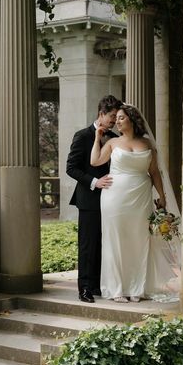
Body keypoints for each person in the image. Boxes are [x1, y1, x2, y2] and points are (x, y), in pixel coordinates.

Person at [90, 103, 180, 302]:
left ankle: (136, 288)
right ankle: (117, 289)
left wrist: (162, 197)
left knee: (139, 241)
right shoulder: (112, 143)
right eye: (117, 118)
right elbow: (95, 162)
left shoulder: (147, 144)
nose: (117, 121)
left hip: (140, 198)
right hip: (114, 198)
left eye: (121, 117)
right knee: (115, 242)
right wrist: (97, 139)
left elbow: (155, 172)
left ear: (132, 120)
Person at [66, 95, 122, 303]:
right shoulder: (82, 136)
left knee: (104, 243)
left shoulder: (115, 137)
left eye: (117, 117)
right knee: (88, 244)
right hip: (89, 199)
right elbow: (71, 168)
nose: (114, 121)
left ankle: (99, 284)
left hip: (112, 200)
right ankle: (85, 289)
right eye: (112, 116)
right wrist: (94, 182)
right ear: (101, 114)